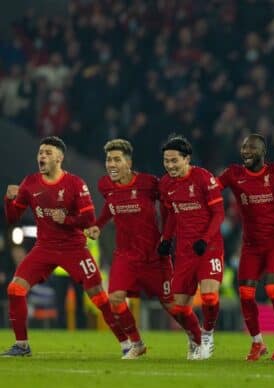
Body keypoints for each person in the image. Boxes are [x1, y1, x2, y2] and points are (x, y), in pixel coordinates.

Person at [2, 136, 127, 356]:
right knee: (15, 289)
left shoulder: (75, 184)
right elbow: (13, 218)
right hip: (45, 248)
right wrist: (8, 199)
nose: (42, 156)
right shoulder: (30, 183)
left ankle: (127, 343)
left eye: (48, 153)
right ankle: (22, 345)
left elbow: (89, 219)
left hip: (74, 249)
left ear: (59, 158)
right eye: (40, 152)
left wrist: (67, 219)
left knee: (98, 296)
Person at [85, 139, 179, 359]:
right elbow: (112, 203)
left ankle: (198, 338)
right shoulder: (105, 185)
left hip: (154, 255)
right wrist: (98, 225)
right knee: (116, 298)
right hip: (126, 255)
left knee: (173, 306)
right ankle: (136, 343)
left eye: (117, 159)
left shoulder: (149, 183)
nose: (111, 164)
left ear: (128, 162)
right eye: (108, 159)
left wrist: (168, 235)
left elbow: (169, 202)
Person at [218, 134, 274, 361]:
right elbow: (212, 187)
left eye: (251, 147)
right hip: (251, 244)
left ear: (263, 151)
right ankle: (257, 342)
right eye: (243, 147)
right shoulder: (234, 174)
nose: (246, 151)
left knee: (272, 289)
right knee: (245, 293)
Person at [158, 135, 225, 360]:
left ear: (187, 159)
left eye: (174, 160)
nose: (169, 165)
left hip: (209, 247)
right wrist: (166, 239)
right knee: (178, 307)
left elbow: (219, 214)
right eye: (166, 161)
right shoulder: (166, 184)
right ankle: (193, 338)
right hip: (185, 250)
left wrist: (205, 240)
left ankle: (207, 335)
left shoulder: (204, 178)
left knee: (208, 296)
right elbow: (172, 215)